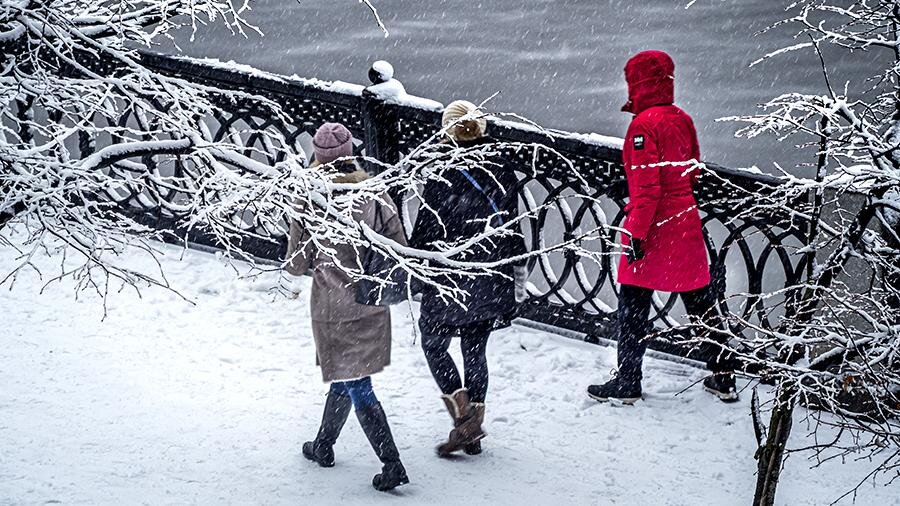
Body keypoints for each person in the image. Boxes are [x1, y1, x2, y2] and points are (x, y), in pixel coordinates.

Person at [587, 50, 739, 405]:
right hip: (685, 221)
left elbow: (646, 188)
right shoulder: (681, 118)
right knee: (701, 301)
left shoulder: (643, 126)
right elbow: (694, 169)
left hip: (654, 228)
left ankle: (628, 382)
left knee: (633, 306)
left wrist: (636, 234)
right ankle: (723, 376)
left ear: (637, 84)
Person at [285, 122, 409, 491]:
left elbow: (295, 262)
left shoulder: (311, 198)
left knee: (357, 383)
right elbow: (399, 244)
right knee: (346, 377)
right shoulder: (375, 192)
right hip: (371, 303)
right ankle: (323, 445)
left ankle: (392, 463)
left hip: (333, 308)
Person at [409, 100, 527, 457]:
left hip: (450, 277)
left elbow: (427, 231)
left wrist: (417, 272)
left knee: (433, 344)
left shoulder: (441, 172)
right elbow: (512, 225)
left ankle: (465, 422)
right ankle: (471, 425)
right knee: (475, 349)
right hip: (490, 273)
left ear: (447, 131)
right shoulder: (502, 169)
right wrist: (516, 274)